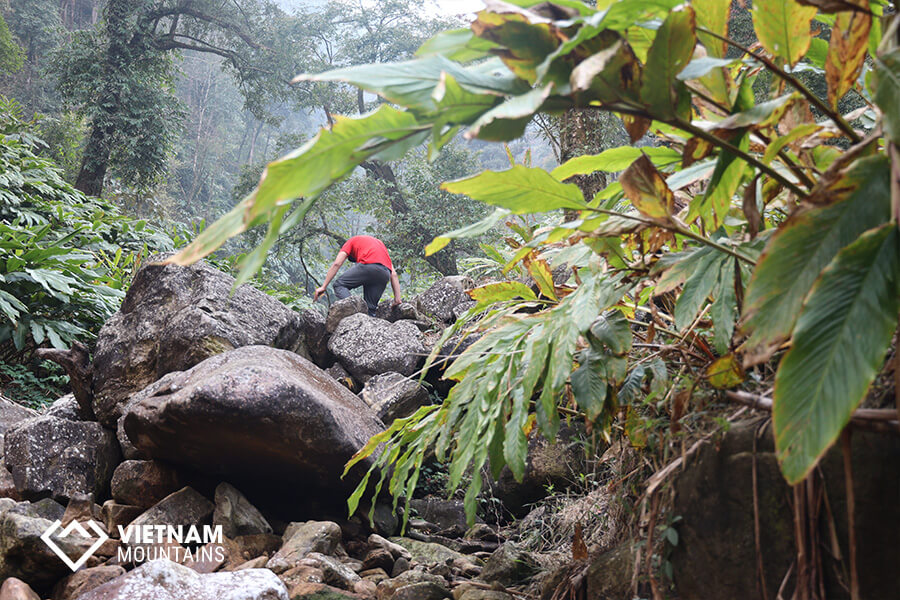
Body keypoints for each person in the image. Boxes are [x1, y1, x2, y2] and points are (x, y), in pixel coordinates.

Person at [313, 235, 402, 316]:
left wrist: (324, 286)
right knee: (370, 310)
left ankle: (354, 310)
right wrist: (397, 299)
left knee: (339, 284)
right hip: (384, 273)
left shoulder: (350, 241)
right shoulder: (380, 244)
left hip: (368, 267)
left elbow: (337, 263)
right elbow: (393, 274)